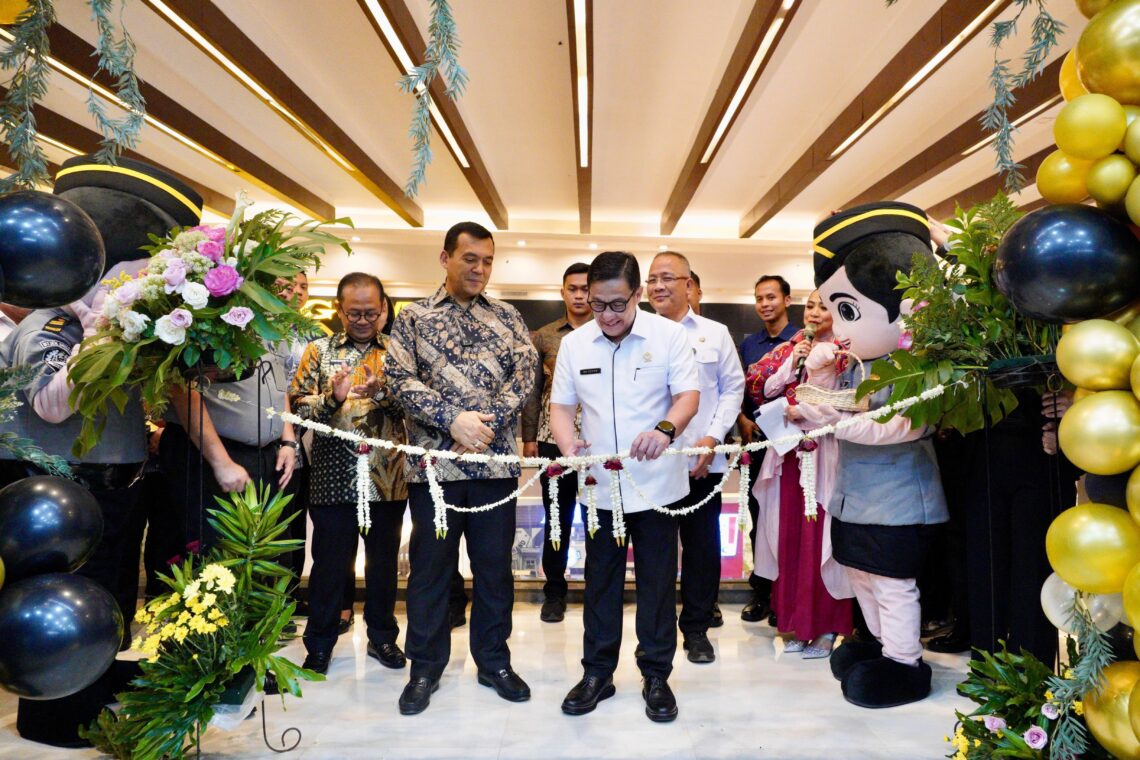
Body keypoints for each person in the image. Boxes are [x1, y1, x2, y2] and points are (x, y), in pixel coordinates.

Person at [385, 221, 537, 715]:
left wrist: (484, 425)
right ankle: (425, 667)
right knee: (431, 572)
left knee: (495, 572)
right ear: (445, 258)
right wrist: (454, 420)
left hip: (494, 466)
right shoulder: (413, 319)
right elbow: (398, 378)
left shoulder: (510, 317)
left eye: (488, 260)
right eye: (471, 258)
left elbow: (526, 374)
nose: (480, 269)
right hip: (434, 469)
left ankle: (493, 661)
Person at [800, 201, 948, 708]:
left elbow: (905, 424)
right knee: (861, 572)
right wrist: (818, 380)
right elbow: (828, 405)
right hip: (855, 497)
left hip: (900, 498)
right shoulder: (860, 366)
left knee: (893, 582)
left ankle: (905, 663)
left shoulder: (922, 366)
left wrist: (837, 422)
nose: (838, 327)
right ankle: (883, 648)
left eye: (848, 310)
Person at [551, 251, 699, 723]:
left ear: (637, 294)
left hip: (657, 486)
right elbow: (560, 407)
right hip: (599, 487)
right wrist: (567, 443)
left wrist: (664, 431)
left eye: (618, 304)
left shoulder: (669, 336)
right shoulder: (576, 344)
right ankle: (598, 673)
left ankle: (656, 675)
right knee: (600, 583)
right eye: (598, 305)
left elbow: (688, 397)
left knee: (656, 584)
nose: (608, 316)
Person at [290, 273, 408, 676]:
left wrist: (383, 394)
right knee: (328, 566)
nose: (362, 320)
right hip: (330, 477)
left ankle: (383, 638)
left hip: (387, 478)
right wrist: (331, 398)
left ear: (383, 310)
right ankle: (320, 644)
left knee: (382, 564)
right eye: (354, 312)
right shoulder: (318, 350)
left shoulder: (397, 352)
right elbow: (297, 409)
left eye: (370, 313)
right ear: (339, 309)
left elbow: (412, 411)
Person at [646, 251, 743, 663]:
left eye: (667, 277)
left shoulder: (714, 333)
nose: (658, 286)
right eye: (651, 279)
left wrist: (712, 436)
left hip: (704, 463)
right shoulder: (637, 333)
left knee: (703, 550)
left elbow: (732, 387)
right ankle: (659, 630)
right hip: (653, 466)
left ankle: (698, 630)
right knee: (658, 553)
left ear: (689, 285)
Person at [745, 290, 853, 659]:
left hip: (824, 450)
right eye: (810, 306)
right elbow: (768, 389)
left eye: (824, 306)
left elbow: (849, 404)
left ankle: (826, 627)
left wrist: (805, 412)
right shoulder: (795, 347)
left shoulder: (846, 351)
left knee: (821, 536)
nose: (816, 312)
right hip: (789, 451)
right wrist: (794, 362)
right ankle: (798, 623)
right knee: (789, 533)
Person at [521, 262, 591, 623]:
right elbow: (533, 393)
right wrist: (530, 437)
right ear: (562, 291)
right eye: (572, 288)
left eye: (585, 288)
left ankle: (598, 587)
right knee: (557, 519)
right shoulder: (544, 336)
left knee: (600, 515)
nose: (579, 295)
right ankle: (554, 592)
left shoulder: (608, 330)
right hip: (552, 438)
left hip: (599, 438)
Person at [737, 274, 798, 623]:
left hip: (791, 447)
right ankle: (760, 593)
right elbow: (738, 391)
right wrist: (742, 421)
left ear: (787, 300)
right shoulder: (749, 345)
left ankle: (786, 597)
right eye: (759, 298)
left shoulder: (802, 341)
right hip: (759, 443)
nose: (764, 304)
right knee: (759, 519)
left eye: (771, 297)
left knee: (788, 521)